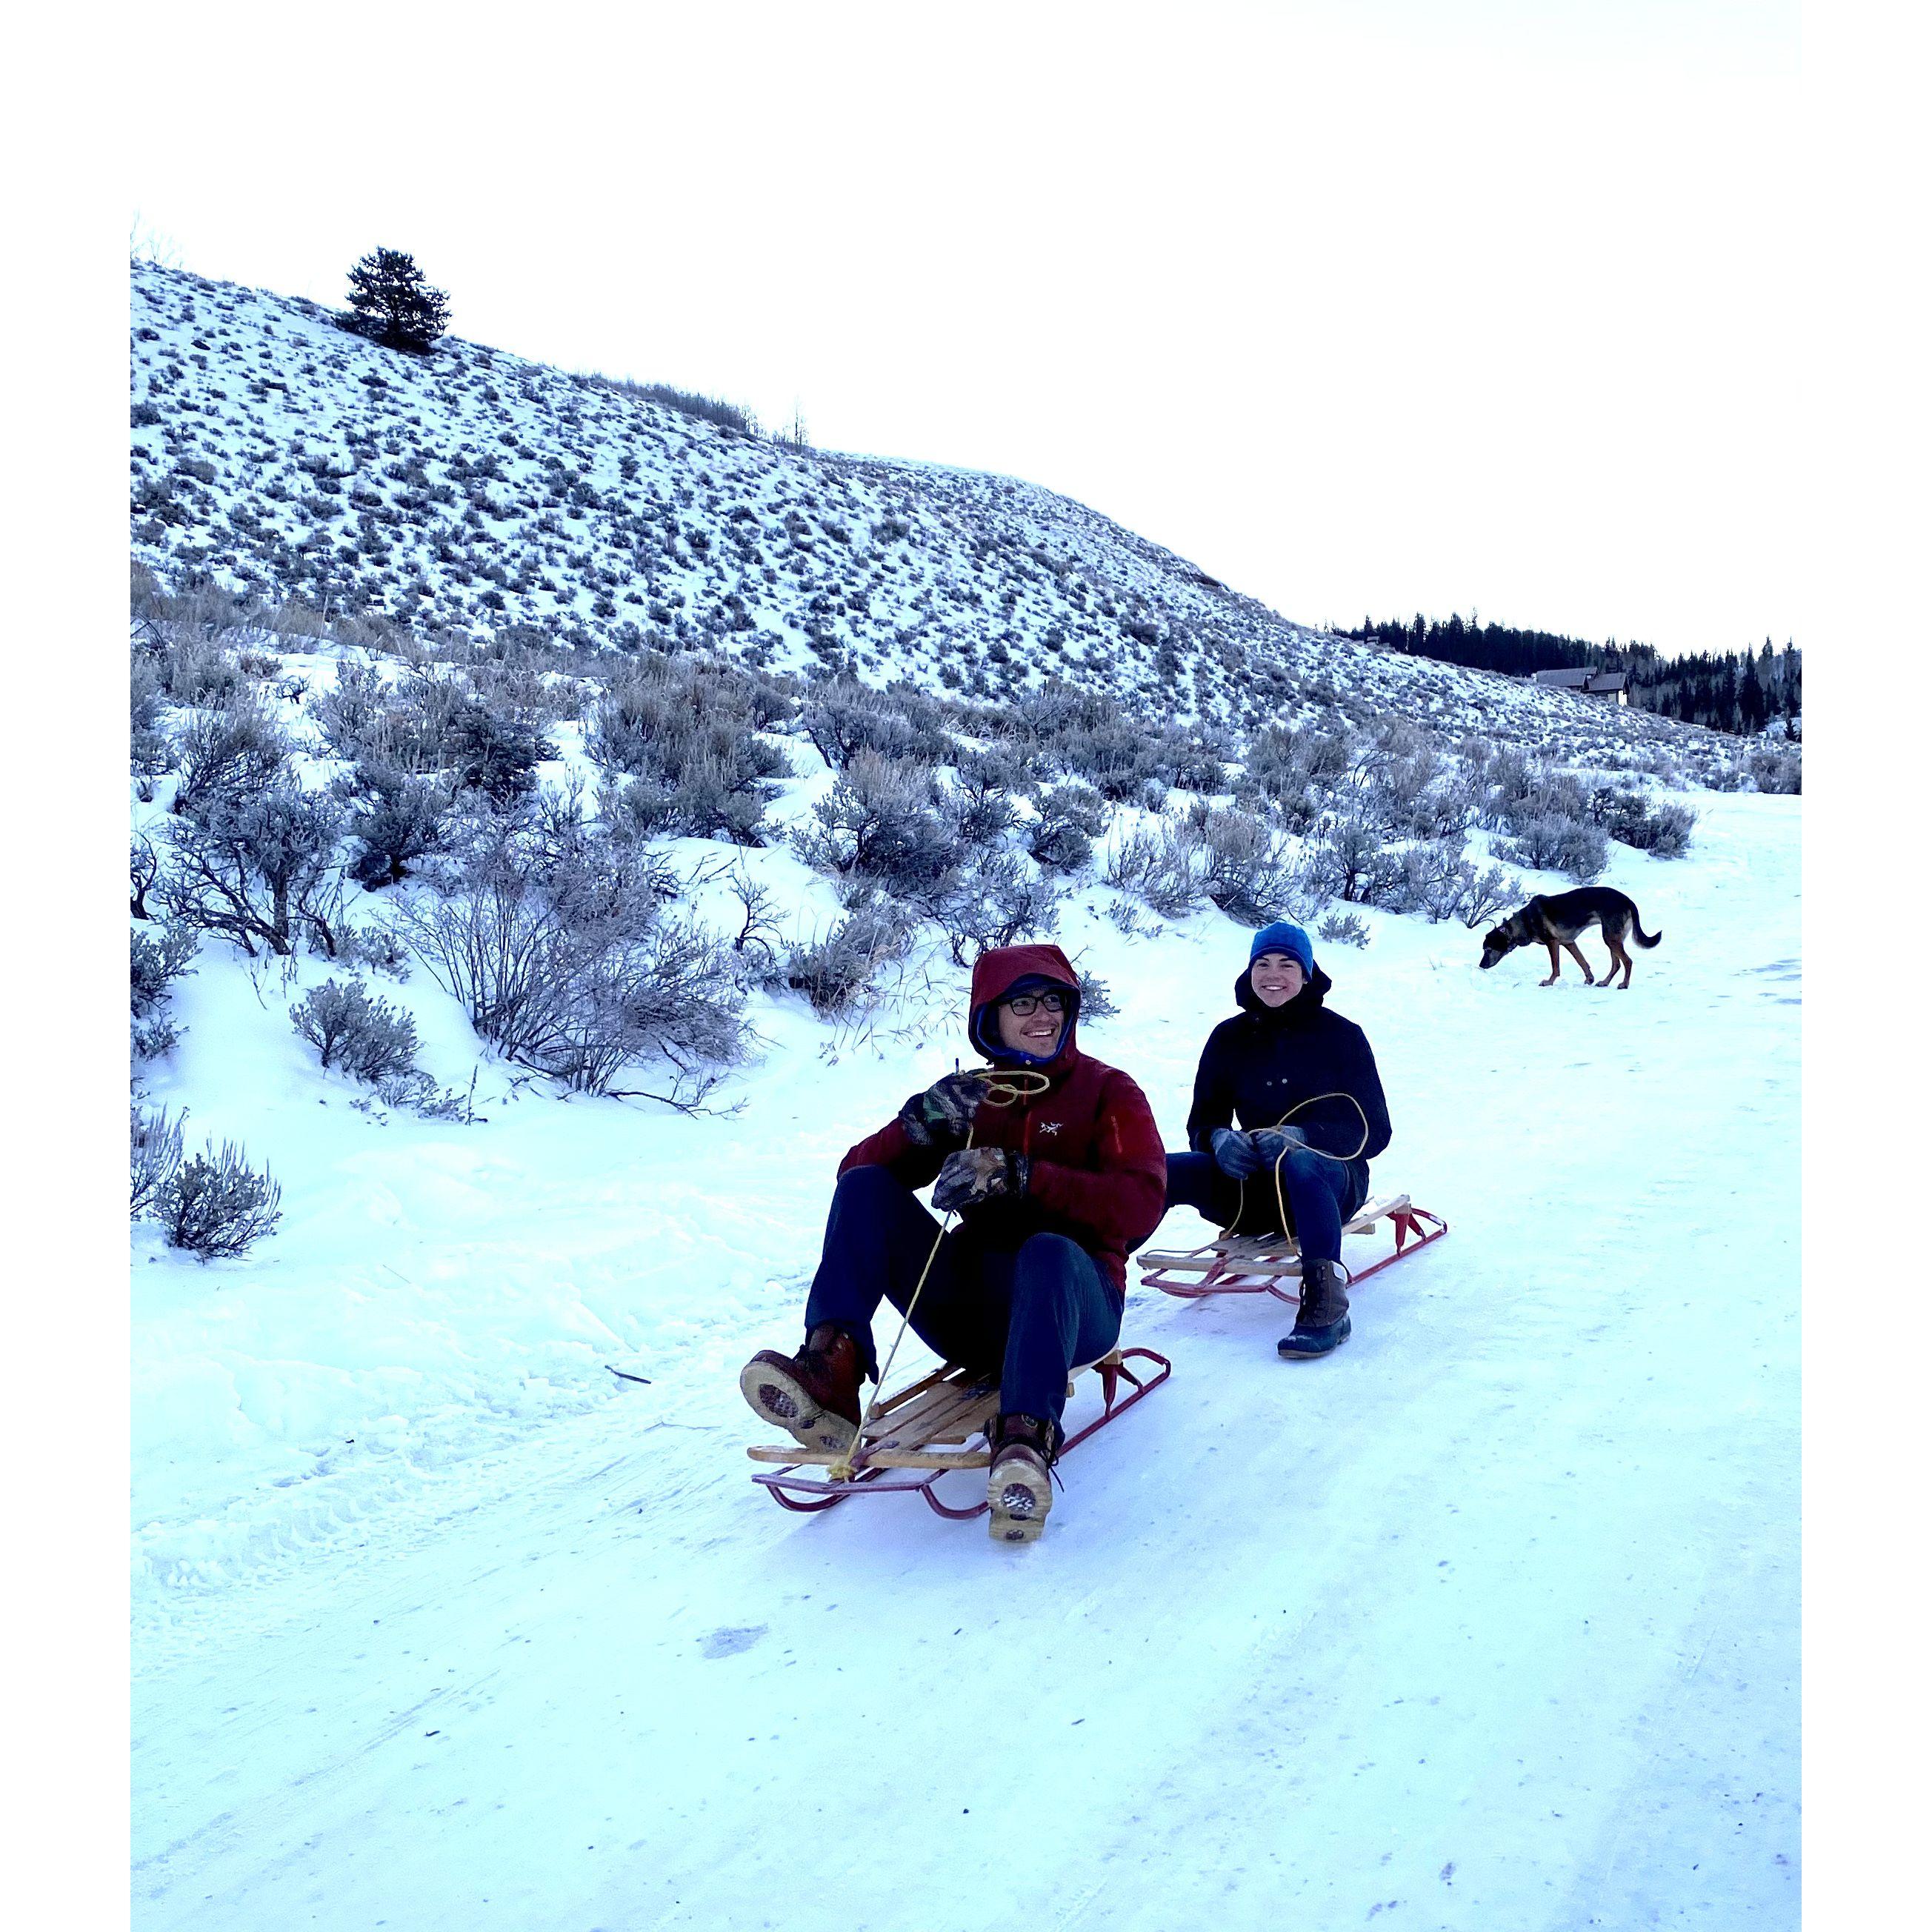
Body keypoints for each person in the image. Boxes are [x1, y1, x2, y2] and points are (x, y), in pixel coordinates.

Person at [740, 943, 1166, 1542]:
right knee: (867, 1188)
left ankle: (1026, 1440)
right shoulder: (972, 1097)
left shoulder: (1107, 1092)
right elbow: (853, 1181)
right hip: (972, 1312)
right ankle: (830, 1378)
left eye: (1054, 1001)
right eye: (1023, 1003)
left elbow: (1142, 1205)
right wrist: (918, 1125)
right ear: (988, 1016)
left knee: (1046, 1248)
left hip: (1074, 1306)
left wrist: (1026, 1176)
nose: (1043, 1016)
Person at [1165, 921, 1391, 1359]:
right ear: (1249, 972)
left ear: (1306, 974)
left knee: (1300, 1162)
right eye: (1263, 963)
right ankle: (1097, 1283)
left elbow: (1376, 1130)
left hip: (1328, 1183)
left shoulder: (1342, 1036)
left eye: (1287, 964)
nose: (1274, 973)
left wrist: (1305, 1137)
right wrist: (1218, 1141)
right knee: (1165, 1168)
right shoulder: (1227, 1038)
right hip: (1253, 1192)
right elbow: (1202, 1121)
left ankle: (1327, 1305)